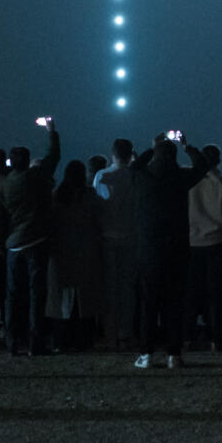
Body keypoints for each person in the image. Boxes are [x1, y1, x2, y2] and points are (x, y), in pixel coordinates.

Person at [131, 135, 202, 367]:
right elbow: (202, 165)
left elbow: (135, 166)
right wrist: (186, 146)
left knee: (149, 303)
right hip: (177, 249)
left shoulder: (143, 177)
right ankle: (174, 354)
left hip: (149, 250)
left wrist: (151, 148)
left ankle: (146, 353)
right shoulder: (181, 177)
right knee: (175, 303)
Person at [0, 121, 60, 356]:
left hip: (14, 246)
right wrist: (51, 132)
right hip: (37, 242)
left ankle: (12, 343)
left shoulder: (2, 187)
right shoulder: (38, 177)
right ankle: (35, 343)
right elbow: (54, 155)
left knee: (12, 296)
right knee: (36, 294)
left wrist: (2, 246)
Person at [50, 159, 104, 351]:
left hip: (61, 254)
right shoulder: (90, 197)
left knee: (63, 301)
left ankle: (62, 340)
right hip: (86, 253)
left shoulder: (56, 198)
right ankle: (84, 340)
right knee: (86, 301)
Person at [94, 137, 141, 352]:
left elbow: (97, 206)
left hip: (107, 236)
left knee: (110, 288)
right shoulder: (135, 176)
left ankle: (109, 334)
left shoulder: (102, 176)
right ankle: (126, 332)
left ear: (112, 153)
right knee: (127, 288)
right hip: (131, 236)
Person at [187, 147, 222, 349]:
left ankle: (188, 337)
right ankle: (216, 338)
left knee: (190, 294)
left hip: (191, 244)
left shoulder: (188, 183)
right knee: (215, 294)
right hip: (217, 243)